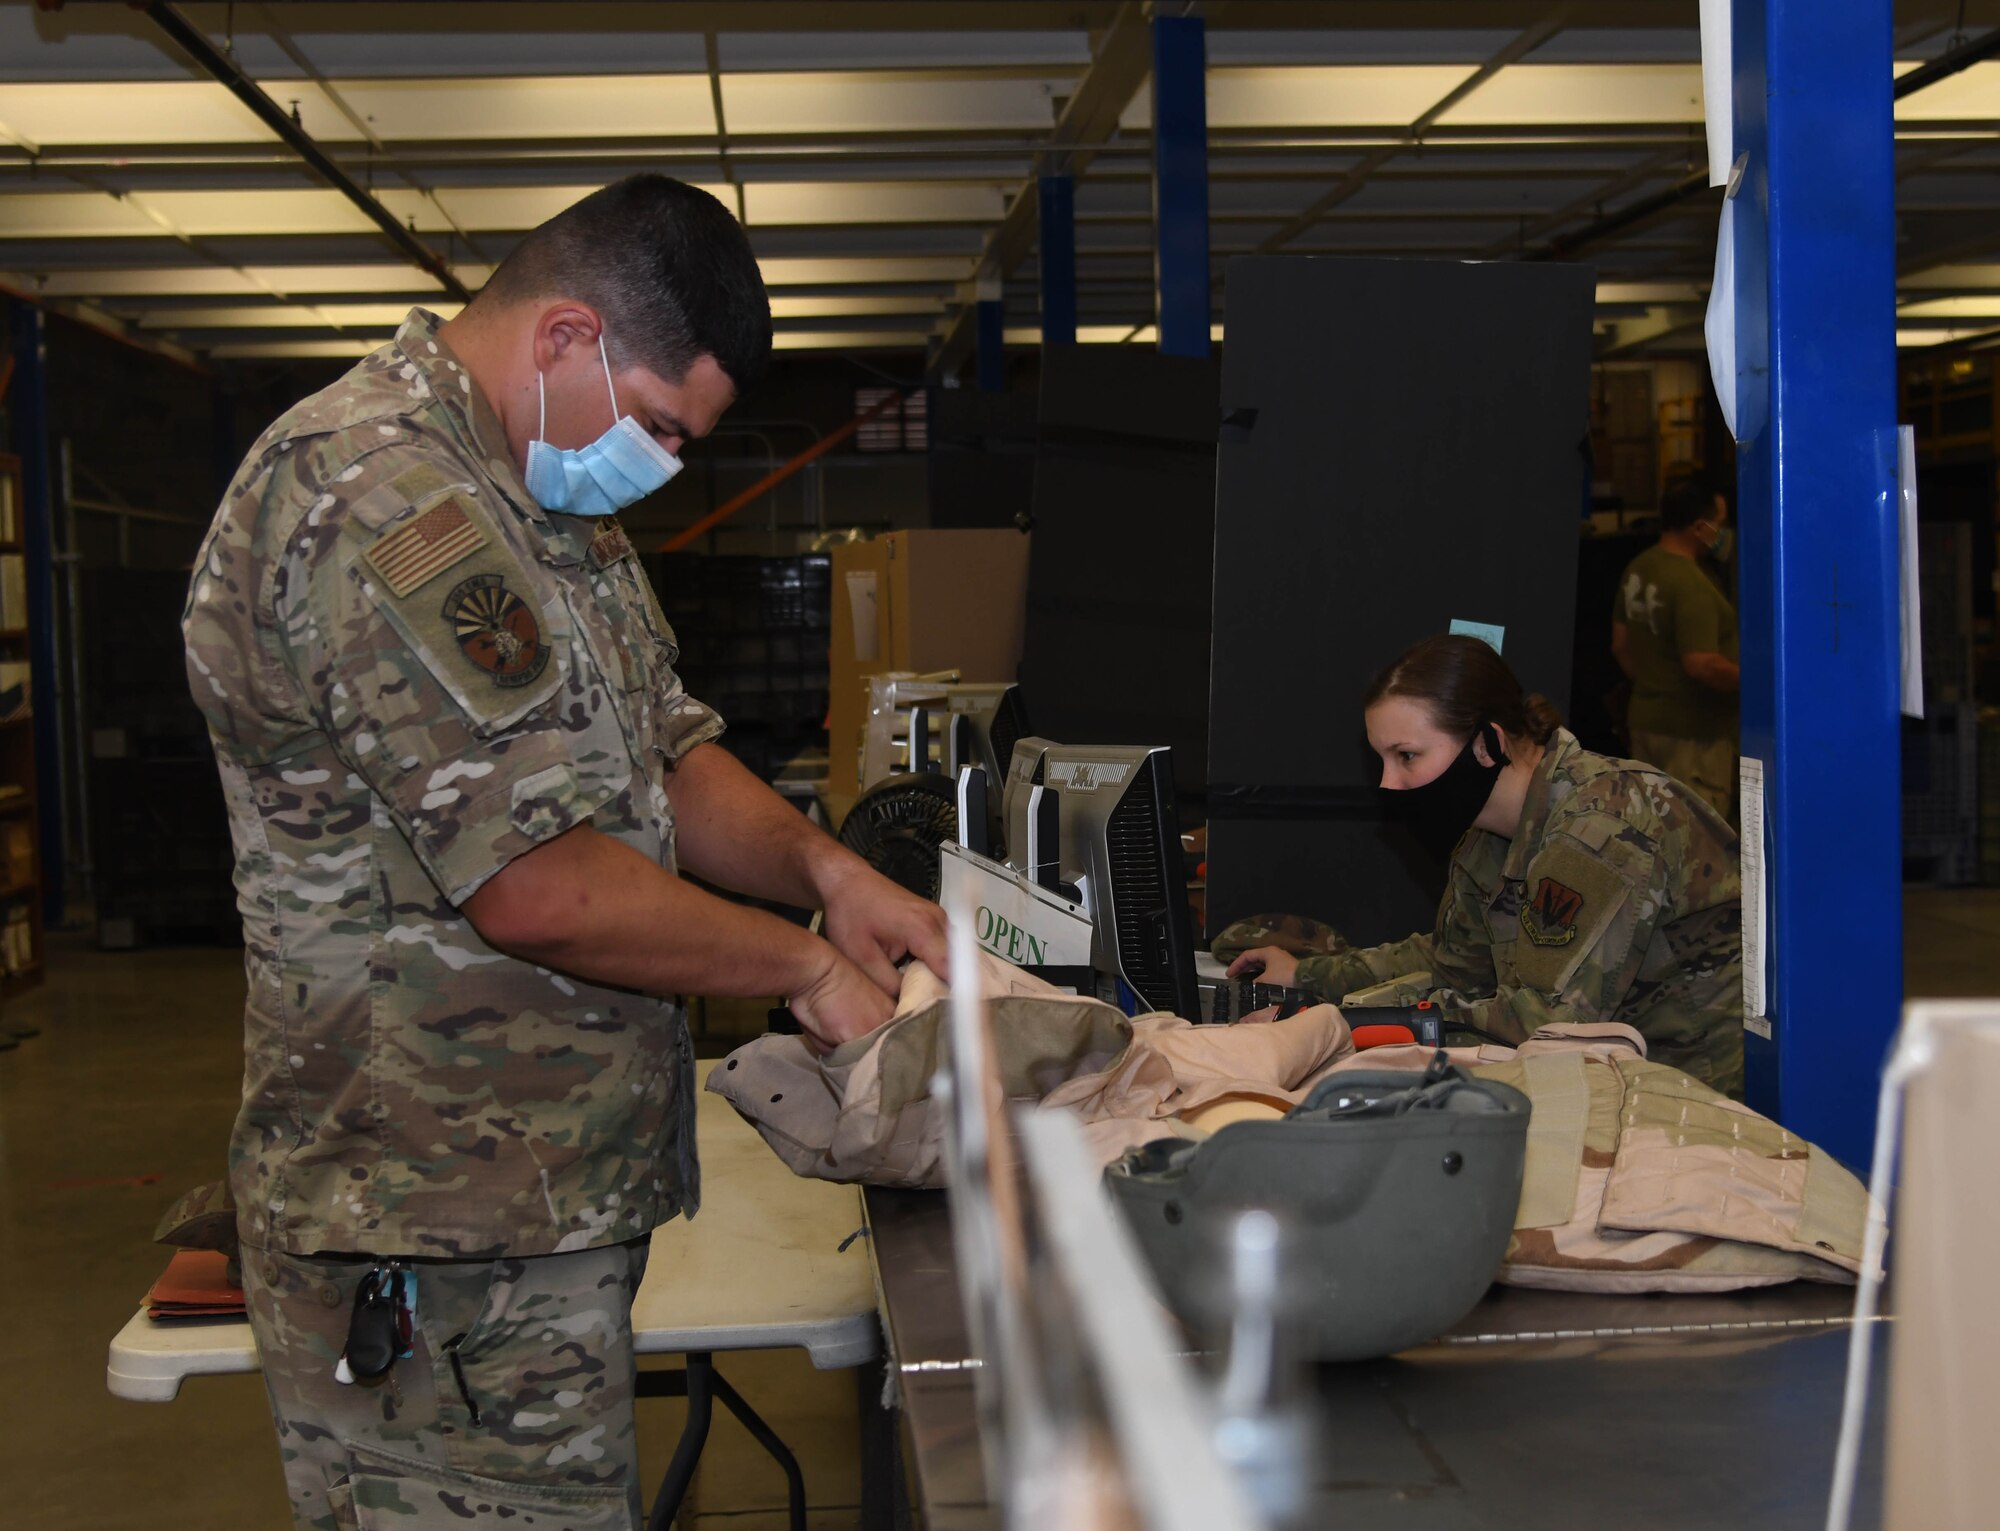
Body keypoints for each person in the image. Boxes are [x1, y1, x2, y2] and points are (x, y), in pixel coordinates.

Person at [183, 175, 946, 1531]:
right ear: (565, 338)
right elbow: (534, 883)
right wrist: (805, 963)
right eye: (658, 424)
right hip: (425, 1216)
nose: (661, 463)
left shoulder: (536, 497)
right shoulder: (378, 495)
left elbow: (662, 752)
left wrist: (833, 872)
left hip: (535, 1199)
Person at [1225, 634, 1743, 1096]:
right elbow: (1452, 966)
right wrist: (1309, 980)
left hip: (1692, 1098)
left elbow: (1548, 1023)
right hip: (1618, 1084)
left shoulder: (1599, 827)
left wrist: (1339, 1025)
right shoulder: (1491, 834)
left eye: (1406, 756)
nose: (1387, 783)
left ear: (1487, 744)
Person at [1612, 477, 1740, 822]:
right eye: (1720, 523)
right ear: (1699, 527)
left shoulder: (1638, 568)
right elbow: (1701, 663)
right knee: (1698, 843)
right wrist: (1756, 682)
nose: (1723, 532)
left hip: (1646, 723)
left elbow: (1621, 645)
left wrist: (1657, 686)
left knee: (1648, 830)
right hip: (1695, 737)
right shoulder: (1692, 585)